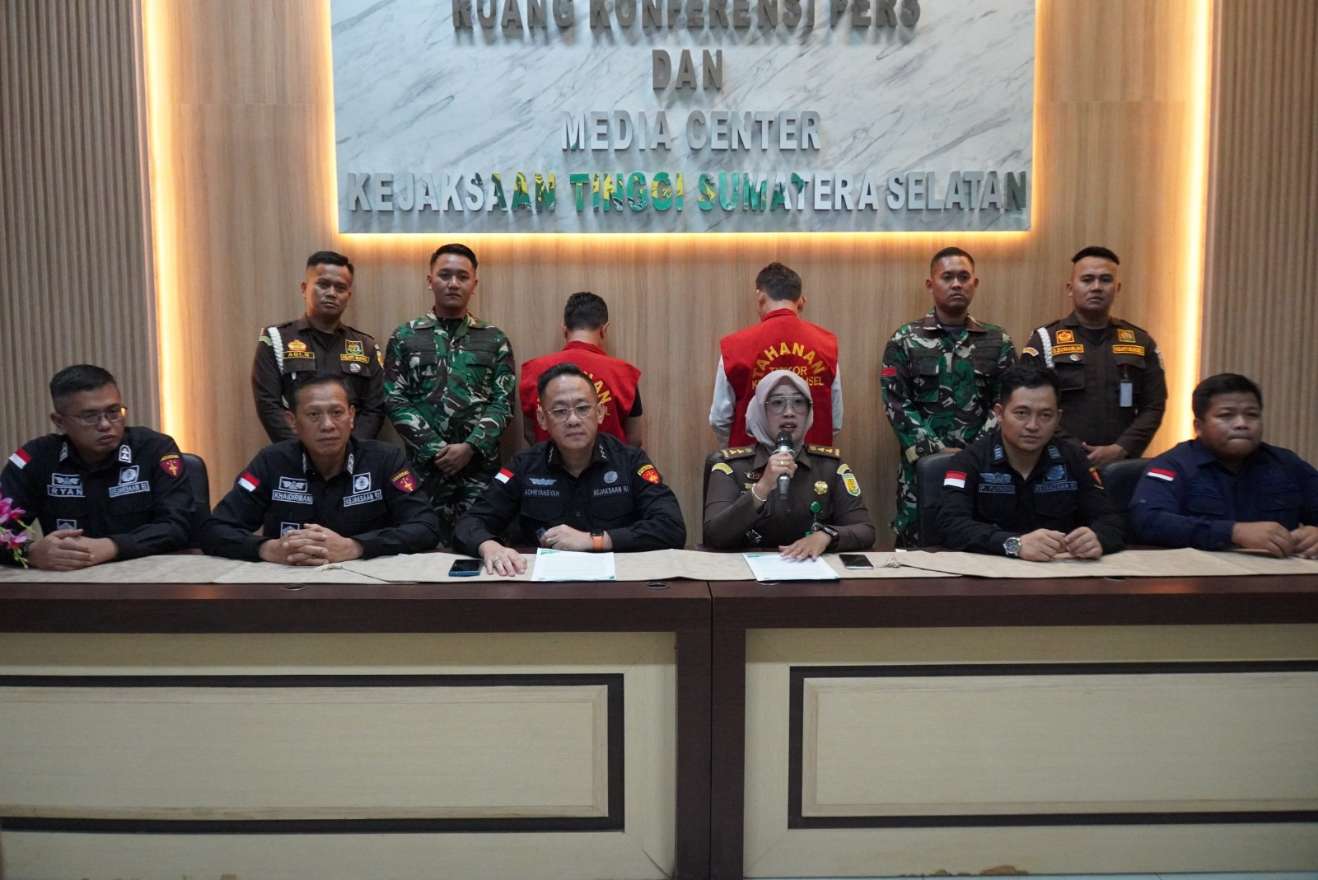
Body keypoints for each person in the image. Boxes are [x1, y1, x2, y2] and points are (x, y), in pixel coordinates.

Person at [454, 364, 685, 576]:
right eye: (560, 411)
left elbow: (671, 527)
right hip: (541, 589)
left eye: (583, 408)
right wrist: (489, 547)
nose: (573, 420)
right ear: (542, 419)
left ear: (600, 413)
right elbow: (469, 522)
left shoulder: (630, 461)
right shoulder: (524, 465)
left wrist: (595, 540)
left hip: (619, 585)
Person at [201, 374, 439, 563]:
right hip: (288, 587)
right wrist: (268, 549)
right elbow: (214, 529)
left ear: (351, 416)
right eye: (314, 414)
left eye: (337, 413)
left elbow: (426, 526)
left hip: (366, 591)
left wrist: (356, 547)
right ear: (293, 422)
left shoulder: (385, 460)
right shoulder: (271, 462)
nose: (327, 425)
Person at [881, 246, 1016, 547]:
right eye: (947, 277)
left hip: (983, 468)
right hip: (922, 470)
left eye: (964, 277)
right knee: (918, 548)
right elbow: (896, 402)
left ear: (975, 284)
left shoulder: (998, 342)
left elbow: (1007, 404)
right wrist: (936, 451)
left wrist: (975, 452)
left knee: (980, 544)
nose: (956, 284)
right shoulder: (905, 340)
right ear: (931, 284)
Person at [384, 243, 516, 547]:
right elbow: (394, 398)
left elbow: (503, 402)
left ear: (474, 284)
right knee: (422, 547)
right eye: (445, 275)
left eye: (462, 276)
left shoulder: (494, 339)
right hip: (425, 470)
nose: (453, 283)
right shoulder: (405, 336)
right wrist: (436, 449)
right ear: (430, 280)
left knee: (481, 545)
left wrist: (470, 447)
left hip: (479, 471)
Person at [1, 364, 193, 569]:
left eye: (113, 412)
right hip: (69, 578)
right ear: (59, 421)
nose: (105, 424)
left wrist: (113, 546)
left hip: (149, 574)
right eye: (90, 416)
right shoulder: (37, 458)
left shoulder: (154, 449)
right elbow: (3, 529)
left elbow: (177, 525)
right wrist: (29, 552)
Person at [937, 363, 1124, 560]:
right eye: (1021, 413)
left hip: (1059, 571)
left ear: (1058, 417)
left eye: (1045, 415)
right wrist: (1013, 544)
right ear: (999, 414)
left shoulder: (1074, 459)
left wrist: (1098, 538)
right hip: (990, 571)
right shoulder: (969, 461)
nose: (1033, 426)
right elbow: (950, 525)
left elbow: (1112, 521)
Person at [1131, 373, 1318, 558]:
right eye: (1226, 415)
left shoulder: (1285, 463)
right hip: (1201, 572)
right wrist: (1233, 532)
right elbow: (1148, 521)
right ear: (1198, 427)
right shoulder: (1173, 465)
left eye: (1252, 415)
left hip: (1281, 573)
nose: (1242, 424)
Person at [1020, 246, 1166, 467]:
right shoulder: (1045, 341)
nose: (1096, 287)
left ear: (1117, 288)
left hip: (1122, 464)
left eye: (1105, 280)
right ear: (1070, 288)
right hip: (1057, 463)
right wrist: (1075, 450)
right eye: (1087, 280)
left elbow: (1154, 406)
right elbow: (1029, 406)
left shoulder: (1140, 341)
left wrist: (1122, 448)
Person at [703, 369, 875, 556]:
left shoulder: (830, 467)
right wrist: (762, 487)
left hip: (811, 568)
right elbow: (714, 536)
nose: (789, 412)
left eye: (798, 402)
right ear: (760, 410)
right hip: (746, 570)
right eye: (777, 403)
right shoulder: (730, 467)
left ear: (809, 412)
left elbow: (865, 530)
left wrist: (827, 535)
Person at [251, 250, 385, 442]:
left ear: (348, 295)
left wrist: (348, 451)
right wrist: (301, 451)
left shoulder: (365, 346)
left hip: (353, 454)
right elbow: (268, 404)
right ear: (304, 288)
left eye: (340, 287)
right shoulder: (276, 340)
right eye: (323, 285)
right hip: (294, 452)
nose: (331, 293)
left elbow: (374, 409)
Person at [709, 262, 842, 448]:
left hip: (751, 460)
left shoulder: (735, 347)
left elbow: (720, 419)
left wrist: (736, 454)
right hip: (813, 460)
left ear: (760, 297)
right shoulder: (826, 344)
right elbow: (835, 420)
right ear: (801, 301)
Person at [518, 291, 643, 446]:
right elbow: (634, 439)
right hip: (610, 461)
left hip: (548, 461)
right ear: (604, 329)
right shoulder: (624, 374)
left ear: (564, 329)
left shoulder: (533, 370)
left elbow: (530, 433)